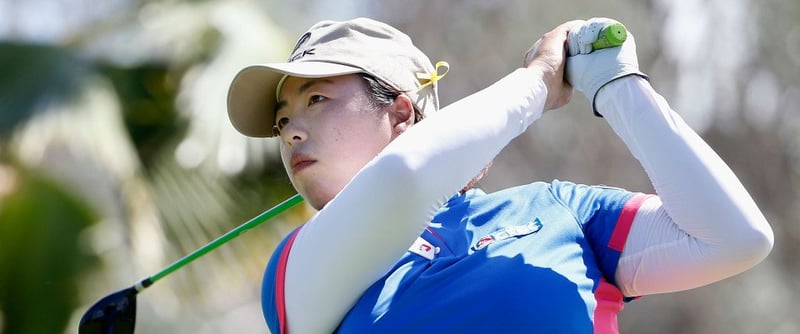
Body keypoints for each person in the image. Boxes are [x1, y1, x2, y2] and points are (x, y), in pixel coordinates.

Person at [225, 17, 773, 333]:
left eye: (315, 98)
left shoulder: (557, 210)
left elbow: (735, 238)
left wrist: (617, 84)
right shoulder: (295, 272)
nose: (290, 131)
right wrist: (538, 82)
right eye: (281, 120)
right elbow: (404, 179)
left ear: (398, 112)